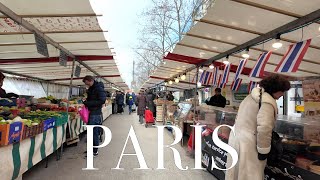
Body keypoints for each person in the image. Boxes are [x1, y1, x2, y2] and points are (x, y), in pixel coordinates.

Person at [225, 75, 290, 180]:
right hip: (250, 144)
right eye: (282, 91)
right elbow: (264, 128)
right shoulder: (267, 102)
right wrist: (263, 151)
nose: (282, 94)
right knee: (251, 175)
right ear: (275, 89)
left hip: (236, 138)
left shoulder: (250, 97)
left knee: (236, 173)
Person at [82, 76, 106, 157]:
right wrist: (87, 101)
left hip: (95, 113)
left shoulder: (98, 88)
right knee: (91, 132)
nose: (86, 84)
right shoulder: (92, 88)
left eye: (86, 83)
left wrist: (88, 103)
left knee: (93, 132)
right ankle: (91, 149)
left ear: (90, 81)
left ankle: (95, 151)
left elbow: (102, 100)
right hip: (92, 112)